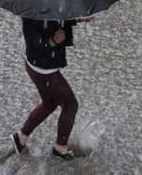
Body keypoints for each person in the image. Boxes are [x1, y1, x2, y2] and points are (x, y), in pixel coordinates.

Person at [10, 15, 95, 161]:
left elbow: (56, 19)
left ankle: (21, 137)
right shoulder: (32, 15)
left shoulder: (47, 6)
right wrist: (54, 41)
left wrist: (79, 19)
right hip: (44, 70)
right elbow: (36, 46)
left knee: (49, 104)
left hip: (38, 66)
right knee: (70, 105)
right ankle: (60, 148)